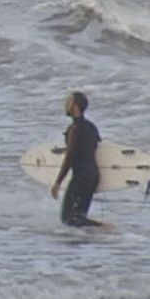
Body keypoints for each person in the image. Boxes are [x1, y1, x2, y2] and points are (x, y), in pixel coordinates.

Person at [51, 91, 103, 227]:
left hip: (81, 177)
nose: (65, 105)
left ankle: (104, 228)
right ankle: (94, 234)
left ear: (75, 106)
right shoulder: (91, 127)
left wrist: (58, 182)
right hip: (93, 176)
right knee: (79, 217)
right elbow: (91, 146)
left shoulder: (74, 129)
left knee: (68, 219)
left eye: (68, 102)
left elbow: (70, 157)